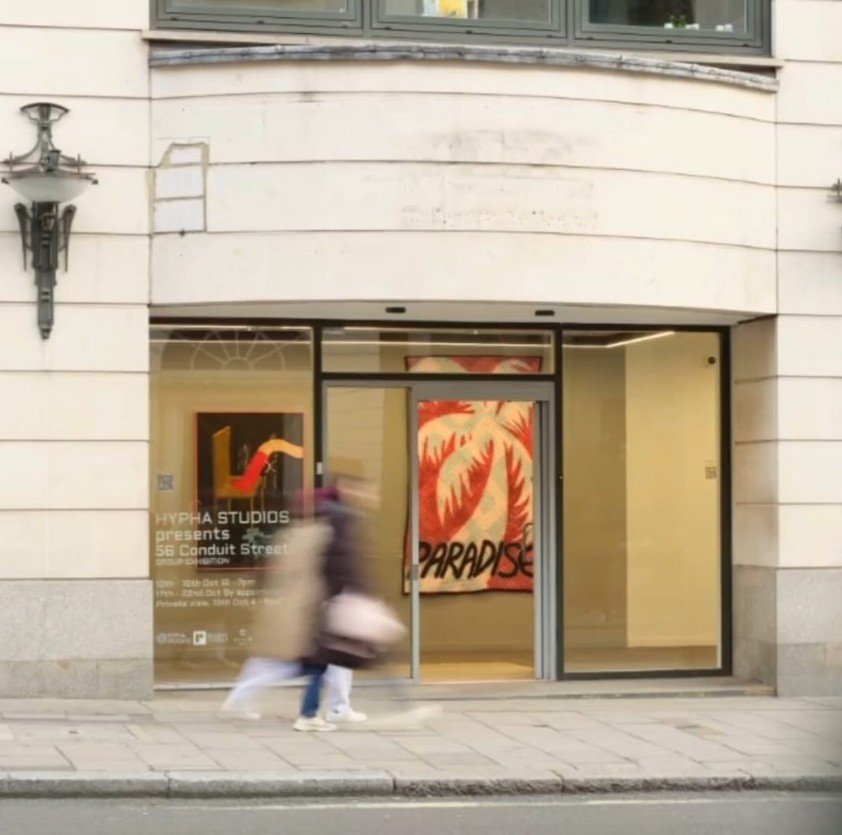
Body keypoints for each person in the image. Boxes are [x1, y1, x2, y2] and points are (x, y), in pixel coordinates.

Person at [222, 481, 369, 730]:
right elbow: (331, 572)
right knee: (296, 664)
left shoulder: (295, 533)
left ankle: (337, 706)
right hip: (311, 610)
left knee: (319, 661)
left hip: (303, 608)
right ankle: (318, 712)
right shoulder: (320, 533)